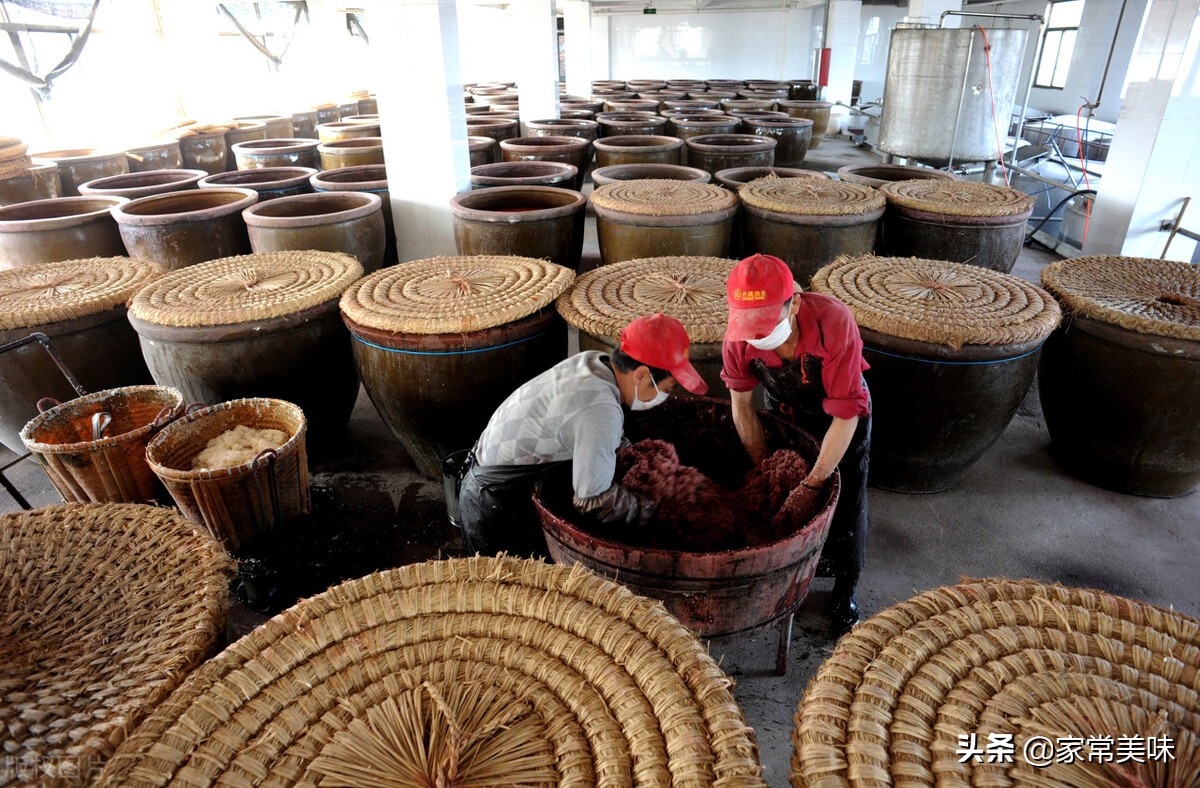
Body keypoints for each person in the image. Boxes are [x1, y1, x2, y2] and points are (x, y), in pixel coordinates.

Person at [458, 312, 708, 556]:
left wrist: (634, 456)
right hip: (494, 504)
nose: (662, 398)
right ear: (641, 375)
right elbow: (592, 500)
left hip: (490, 474)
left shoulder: (594, 363)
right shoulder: (599, 408)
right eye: (665, 389)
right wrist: (656, 510)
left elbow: (594, 432)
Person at [721, 253, 871, 635]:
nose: (757, 337)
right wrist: (766, 469)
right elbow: (742, 408)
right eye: (750, 328)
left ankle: (844, 589)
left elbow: (845, 415)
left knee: (845, 502)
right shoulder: (737, 339)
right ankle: (794, 569)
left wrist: (812, 483)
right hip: (786, 412)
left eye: (766, 325)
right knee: (778, 494)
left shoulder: (834, 322)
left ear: (796, 304)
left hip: (842, 413)